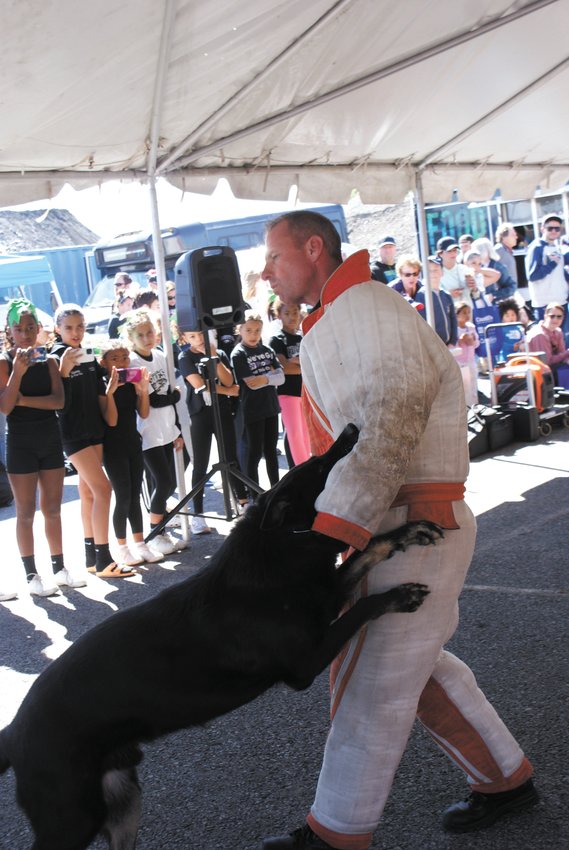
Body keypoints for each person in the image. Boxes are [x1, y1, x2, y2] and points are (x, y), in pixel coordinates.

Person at [260, 211, 537, 850]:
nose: (267, 273)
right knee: (414, 667)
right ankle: (504, 779)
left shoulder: (359, 310)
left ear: (312, 247)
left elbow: (385, 425)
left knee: (371, 682)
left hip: (410, 524)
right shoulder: (350, 309)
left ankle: (336, 834)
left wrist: (330, 535)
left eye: (274, 258)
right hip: (405, 521)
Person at [0, 299, 85, 599]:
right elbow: (5, 406)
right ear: (9, 331)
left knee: (52, 509)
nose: (25, 333)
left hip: (49, 439)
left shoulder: (49, 360)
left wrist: (23, 399)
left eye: (30, 328)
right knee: (25, 512)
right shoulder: (4, 362)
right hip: (20, 443)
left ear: (39, 329)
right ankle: (31, 574)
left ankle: (59, 568)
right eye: (19, 328)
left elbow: (58, 402)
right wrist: (17, 374)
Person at [52, 304, 135, 579]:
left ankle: (91, 557)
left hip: (95, 430)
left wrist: (110, 392)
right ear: (57, 329)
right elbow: (58, 405)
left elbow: (103, 404)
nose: (75, 333)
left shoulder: (89, 356)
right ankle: (103, 559)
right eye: (68, 328)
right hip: (73, 434)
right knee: (103, 489)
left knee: (89, 492)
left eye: (80, 326)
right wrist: (64, 371)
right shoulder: (53, 357)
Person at [126, 308, 186, 556]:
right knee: (163, 482)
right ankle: (155, 533)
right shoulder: (133, 362)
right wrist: (173, 396)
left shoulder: (160, 356)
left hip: (167, 430)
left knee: (167, 482)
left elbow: (169, 396)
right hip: (148, 433)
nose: (147, 338)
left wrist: (177, 430)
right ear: (132, 338)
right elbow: (153, 401)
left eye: (150, 332)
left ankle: (161, 527)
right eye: (141, 335)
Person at [178, 327, 248, 533]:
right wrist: (228, 391)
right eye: (192, 336)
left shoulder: (219, 353)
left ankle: (243, 502)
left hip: (222, 411)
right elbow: (198, 385)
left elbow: (229, 380)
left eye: (201, 335)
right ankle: (198, 515)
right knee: (200, 463)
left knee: (231, 457)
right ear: (184, 338)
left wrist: (214, 358)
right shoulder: (185, 356)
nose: (198, 340)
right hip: (199, 414)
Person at [99, 341, 162, 566]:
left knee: (135, 494)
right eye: (114, 358)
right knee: (123, 496)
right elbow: (112, 421)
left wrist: (143, 390)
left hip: (133, 443)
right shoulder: (102, 385)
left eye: (124, 357)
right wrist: (110, 393)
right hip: (113, 447)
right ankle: (122, 548)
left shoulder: (131, 382)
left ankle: (140, 544)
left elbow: (143, 413)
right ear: (103, 362)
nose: (121, 362)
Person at [230, 311, 284, 496]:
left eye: (257, 330)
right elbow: (251, 383)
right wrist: (270, 376)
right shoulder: (238, 353)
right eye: (249, 330)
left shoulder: (267, 350)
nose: (254, 335)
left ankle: (276, 490)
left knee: (271, 451)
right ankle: (256, 494)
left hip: (271, 406)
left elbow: (281, 377)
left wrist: (265, 379)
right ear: (240, 330)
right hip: (252, 410)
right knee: (254, 453)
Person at [269, 300, 311, 466]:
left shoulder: (303, 336)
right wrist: (301, 364)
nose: (292, 317)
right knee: (295, 435)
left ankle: (310, 465)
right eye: (286, 313)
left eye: (295, 312)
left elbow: (313, 362)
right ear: (279, 315)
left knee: (307, 434)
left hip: (306, 392)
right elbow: (284, 368)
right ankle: (303, 469)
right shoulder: (277, 339)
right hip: (287, 394)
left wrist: (296, 362)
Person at [525, 214, 569, 313]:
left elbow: (560, 274)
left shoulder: (557, 248)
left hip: (561, 302)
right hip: (545, 306)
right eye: (550, 228)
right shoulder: (536, 248)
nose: (553, 231)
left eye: (557, 229)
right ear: (542, 229)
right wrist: (552, 264)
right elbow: (532, 276)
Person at [415, 255, 457, 346]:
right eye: (429, 271)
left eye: (436, 270)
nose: (433, 273)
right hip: (434, 347)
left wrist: (452, 342)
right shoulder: (422, 295)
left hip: (448, 346)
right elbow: (422, 324)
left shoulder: (446, 295)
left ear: (442, 272)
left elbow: (453, 319)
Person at [526, 301, 569, 382]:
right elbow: (547, 361)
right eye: (552, 316)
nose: (555, 319)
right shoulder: (540, 335)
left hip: (548, 369)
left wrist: (566, 358)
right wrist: (567, 353)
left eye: (559, 317)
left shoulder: (558, 331)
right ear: (545, 316)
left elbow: (561, 353)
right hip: (535, 373)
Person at [451, 301, 480, 405]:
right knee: (464, 387)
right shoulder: (453, 329)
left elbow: (477, 343)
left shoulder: (471, 327)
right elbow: (452, 345)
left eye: (468, 312)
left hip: (471, 361)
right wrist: (460, 340)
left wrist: (473, 340)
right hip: (459, 363)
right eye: (464, 312)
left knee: (473, 386)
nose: (467, 315)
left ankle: (474, 407)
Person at [494, 222, 519, 287]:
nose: (516, 237)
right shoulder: (498, 250)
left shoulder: (508, 251)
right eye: (513, 235)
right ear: (504, 237)